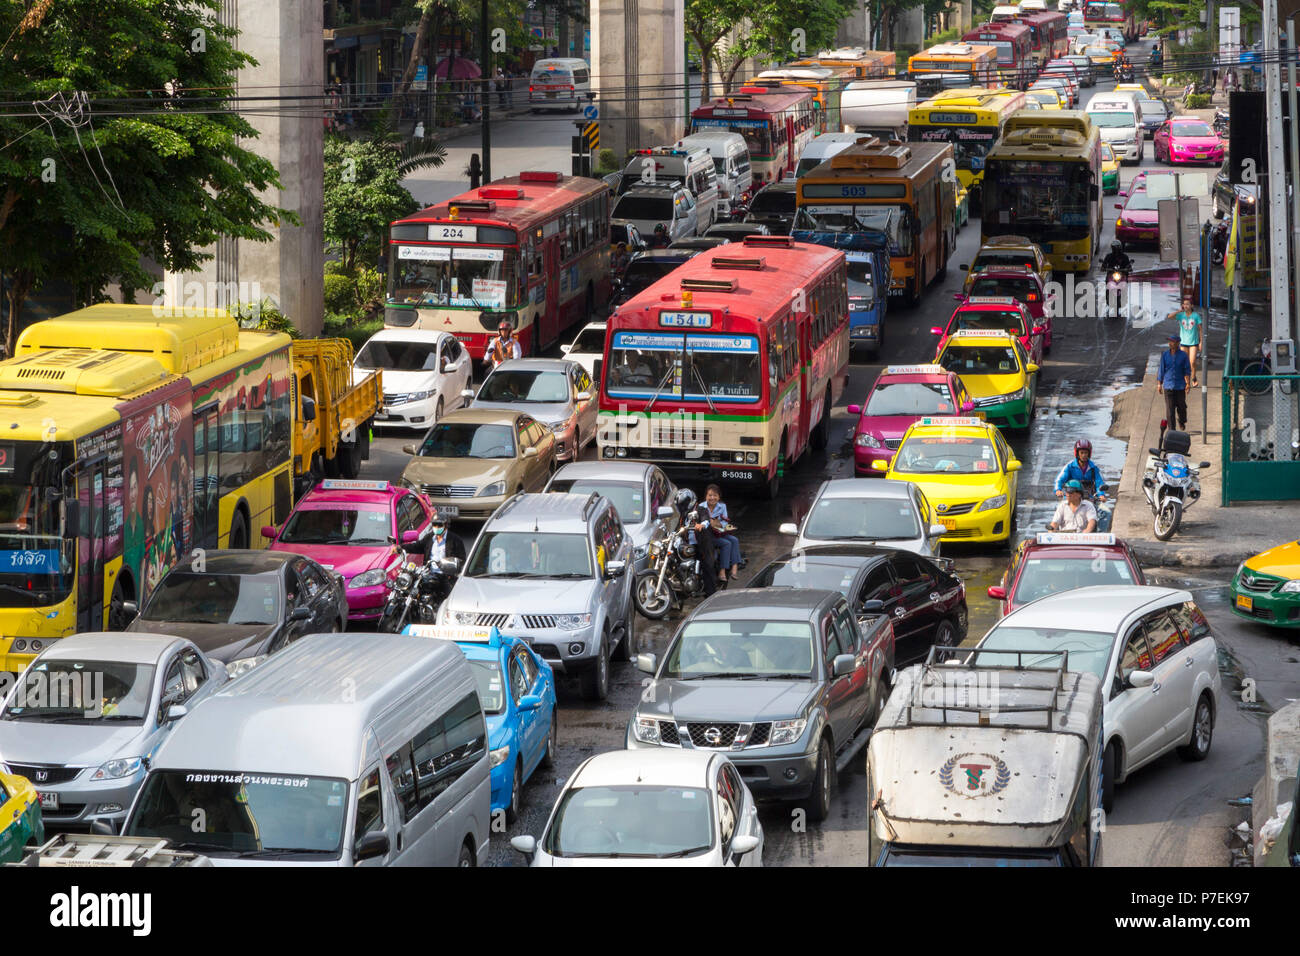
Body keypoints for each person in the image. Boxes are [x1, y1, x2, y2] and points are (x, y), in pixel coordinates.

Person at [1054, 438, 1112, 531]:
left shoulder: (1094, 468)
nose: (1084, 455)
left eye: (1086, 453)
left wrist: (1101, 495)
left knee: (1106, 513)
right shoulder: (1069, 467)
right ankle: (1058, 534)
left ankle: (1099, 536)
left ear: (1089, 453)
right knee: (1058, 511)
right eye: (1082, 453)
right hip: (1072, 498)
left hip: (1090, 498)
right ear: (1077, 453)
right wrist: (1058, 490)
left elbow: (1099, 483)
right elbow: (1059, 480)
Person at [675, 488, 716, 598]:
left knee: (707, 566)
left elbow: (706, 519)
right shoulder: (684, 515)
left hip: (703, 544)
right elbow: (678, 528)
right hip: (689, 545)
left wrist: (701, 525)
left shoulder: (700, 509)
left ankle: (712, 596)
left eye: (684, 504)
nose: (682, 506)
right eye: (681, 504)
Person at [703, 484, 742, 586]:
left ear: (719, 497)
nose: (712, 498)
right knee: (727, 543)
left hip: (719, 532)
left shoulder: (722, 506)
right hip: (708, 535)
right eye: (710, 495)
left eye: (715, 495)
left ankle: (734, 567)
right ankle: (722, 570)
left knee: (734, 540)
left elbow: (725, 522)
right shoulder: (701, 507)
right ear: (706, 497)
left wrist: (718, 525)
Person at [1156, 332, 1192, 431]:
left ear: (1177, 343)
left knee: (1182, 407)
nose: (1170, 343)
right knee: (1170, 409)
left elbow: (1187, 370)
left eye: (1173, 341)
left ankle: (1182, 420)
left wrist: (1188, 384)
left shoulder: (1183, 356)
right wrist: (1159, 384)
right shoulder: (1165, 355)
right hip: (1168, 386)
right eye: (1170, 341)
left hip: (1180, 386)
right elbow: (1161, 370)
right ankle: (1172, 430)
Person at [1167, 297, 1203, 387]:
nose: (1185, 306)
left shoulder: (1195, 316)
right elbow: (1169, 316)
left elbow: (1200, 329)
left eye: (1187, 304)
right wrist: (1179, 311)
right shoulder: (1181, 315)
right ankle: (1187, 382)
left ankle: (1194, 377)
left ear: (1191, 305)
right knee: (1184, 362)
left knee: (1192, 362)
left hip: (1193, 342)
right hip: (1183, 342)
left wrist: (1201, 342)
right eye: (1184, 304)